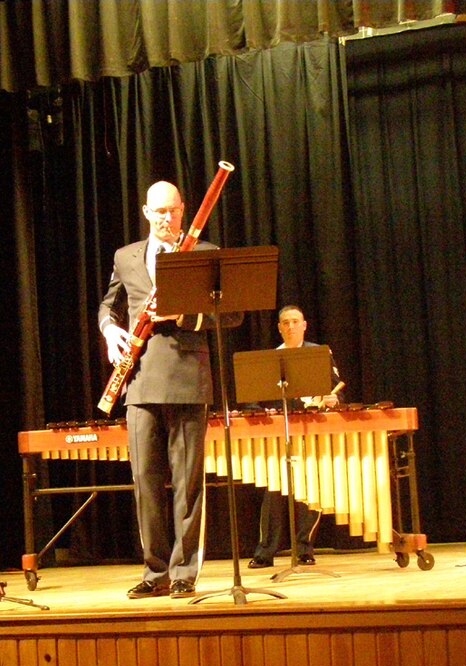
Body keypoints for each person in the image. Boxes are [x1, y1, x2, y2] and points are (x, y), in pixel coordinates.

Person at [98, 180, 234, 599]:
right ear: (145, 212)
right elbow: (110, 303)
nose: (165, 218)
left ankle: (183, 573)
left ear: (183, 210)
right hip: (138, 381)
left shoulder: (204, 254)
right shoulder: (126, 256)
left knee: (189, 484)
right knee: (144, 480)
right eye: (157, 212)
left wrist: (183, 317)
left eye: (171, 211)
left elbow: (230, 316)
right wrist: (109, 330)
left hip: (189, 378)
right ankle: (154, 571)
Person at [247, 304, 340, 569]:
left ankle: (304, 549)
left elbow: (337, 391)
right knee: (274, 492)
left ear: (304, 325)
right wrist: (265, 415)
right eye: (285, 322)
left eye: (295, 321)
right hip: (279, 433)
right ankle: (265, 552)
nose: (290, 326)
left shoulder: (319, 354)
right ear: (279, 328)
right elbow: (253, 401)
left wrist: (333, 399)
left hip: (311, 430)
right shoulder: (269, 359)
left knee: (310, 491)